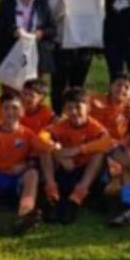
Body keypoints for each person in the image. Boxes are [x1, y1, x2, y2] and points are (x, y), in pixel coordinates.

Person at [0, 93, 51, 235]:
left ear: (21, 111)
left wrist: (25, 165)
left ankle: (24, 215)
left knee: (32, 174)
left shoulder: (28, 134)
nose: (10, 112)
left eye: (15, 108)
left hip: (16, 180)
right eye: (6, 108)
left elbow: (35, 158)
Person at [40, 88, 114, 224]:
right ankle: (52, 195)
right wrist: (58, 154)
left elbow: (106, 141)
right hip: (67, 169)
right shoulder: (62, 125)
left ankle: (77, 198)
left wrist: (78, 150)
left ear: (88, 108)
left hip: (88, 175)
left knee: (99, 153)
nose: (74, 112)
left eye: (78, 107)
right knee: (45, 151)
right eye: (69, 108)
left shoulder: (95, 127)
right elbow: (42, 137)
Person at [49, 0, 103, 114]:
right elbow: (51, 17)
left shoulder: (91, 1)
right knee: (59, 85)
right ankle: (57, 114)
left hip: (83, 49)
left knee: (78, 85)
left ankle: (78, 114)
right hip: (62, 48)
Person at [0, 0, 56, 82]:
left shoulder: (43, 4)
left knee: (32, 93)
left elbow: (52, 29)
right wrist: (13, 31)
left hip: (35, 54)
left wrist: (40, 33)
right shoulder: (8, 2)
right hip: (11, 51)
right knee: (12, 91)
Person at [88, 73, 130, 143]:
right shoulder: (94, 100)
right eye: (119, 85)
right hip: (89, 142)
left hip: (113, 148)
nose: (121, 89)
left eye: (127, 87)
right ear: (111, 86)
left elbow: (129, 139)